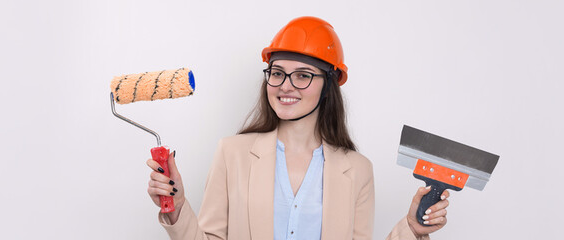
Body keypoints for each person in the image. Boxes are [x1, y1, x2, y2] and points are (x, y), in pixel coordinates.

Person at [145, 16, 450, 240]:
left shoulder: (357, 170)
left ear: (328, 85)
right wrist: (178, 207)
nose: (285, 86)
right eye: (277, 72)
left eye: (302, 75)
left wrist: (411, 229)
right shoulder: (232, 154)